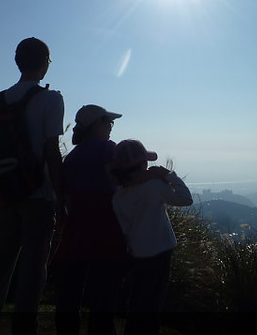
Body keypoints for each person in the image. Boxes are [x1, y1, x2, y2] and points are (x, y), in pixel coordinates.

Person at [0, 37, 65, 335]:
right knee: (32, 271)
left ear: (18, 62)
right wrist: (61, 197)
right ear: (45, 62)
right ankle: (24, 328)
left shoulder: (1, 98)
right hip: (37, 195)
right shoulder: (52, 99)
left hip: (4, 194)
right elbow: (52, 151)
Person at [52, 104, 128, 335]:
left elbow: (67, 198)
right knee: (104, 292)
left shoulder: (71, 157)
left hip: (77, 226)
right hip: (106, 225)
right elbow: (117, 184)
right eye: (108, 122)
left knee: (71, 289)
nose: (111, 127)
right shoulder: (107, 148)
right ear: (96, 124)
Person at [111, 139, 193, 335]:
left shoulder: (118, 196)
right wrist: (169, 175)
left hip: (136, 253)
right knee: (153, 303)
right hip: (160, 251)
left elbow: (124, 230)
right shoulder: (154, 186)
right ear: (142, 165)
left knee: (138, 300)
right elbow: (185, 199)